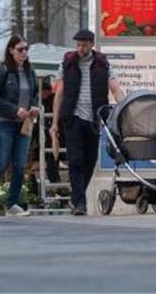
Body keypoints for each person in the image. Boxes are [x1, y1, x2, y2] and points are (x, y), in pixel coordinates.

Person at [51, 30, 125, 216]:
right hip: (73, 118)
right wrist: (54, 122)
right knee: (75, 160)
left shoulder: (103, 63)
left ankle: (77, 198)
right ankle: (80, 203)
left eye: (84, 45)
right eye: (78, 45)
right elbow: (59, 94)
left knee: (90, 161)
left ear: (92, 44)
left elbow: (115, 89)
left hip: (94, 119)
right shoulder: (67, 63)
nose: (80, 48)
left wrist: (124, 106)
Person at [0, 35, 39, 218]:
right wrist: (14, 110)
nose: (24, 53)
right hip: (2, 123)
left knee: (19, 166)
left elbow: (34, 94)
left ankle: (12, 204)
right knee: (2, 163)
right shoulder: (2, 71)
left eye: (26, 49)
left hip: (24, 125)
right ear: (11, 50)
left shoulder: (29, 72)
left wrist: (34, 106)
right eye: (20, 49)